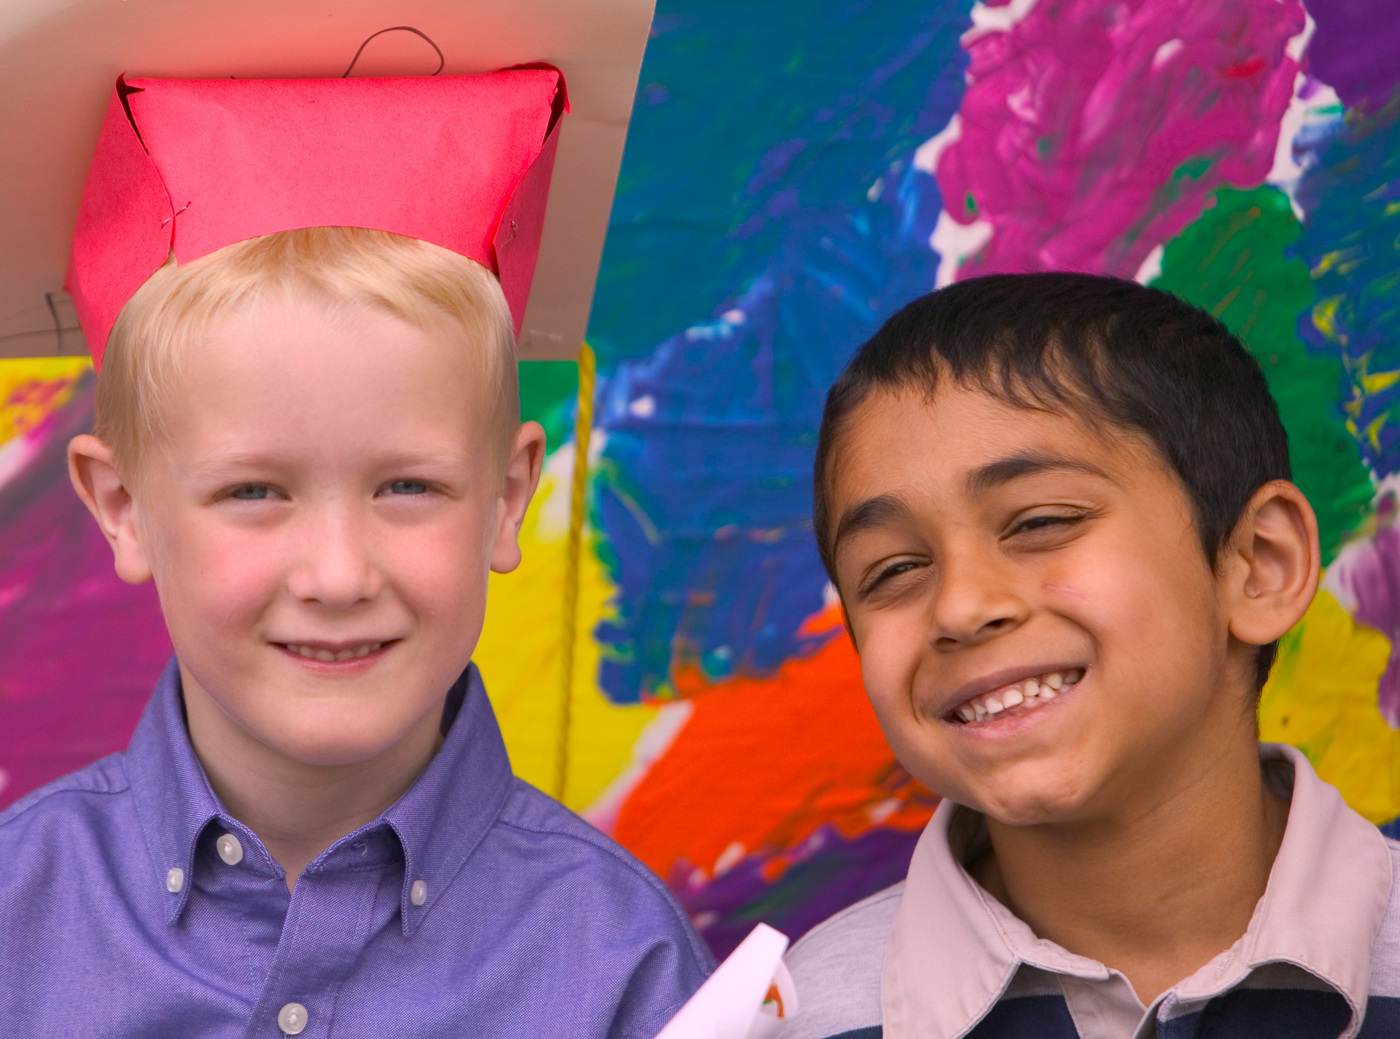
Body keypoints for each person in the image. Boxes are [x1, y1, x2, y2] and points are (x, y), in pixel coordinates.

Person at [0, 163, 710, 1039]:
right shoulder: (17, 918)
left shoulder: (626, 966)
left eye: (408, 486)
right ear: (123, 508)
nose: (338, 577)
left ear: (507, 497)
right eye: (254, 491)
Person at [784, 272, 1400, 1039]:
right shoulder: (803, 1017)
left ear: (1258, 565)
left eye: (1041, 521)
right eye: (895, 569)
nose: (961, 607)